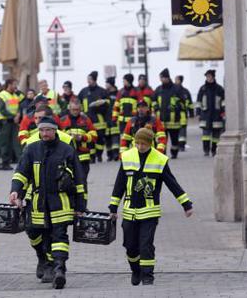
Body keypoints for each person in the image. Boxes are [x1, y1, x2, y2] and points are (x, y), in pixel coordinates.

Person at [109, 128, 193, 286]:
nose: (140, 147)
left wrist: (186, 204)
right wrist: (113, 207)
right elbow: (119, 184)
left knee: (146, 245)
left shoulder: (160, 160)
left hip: (150, 212)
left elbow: (172, 183)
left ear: (150, 143)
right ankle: (136, 270)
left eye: (144, 144)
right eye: (138, 143)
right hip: (129, 211)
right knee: (130, 247)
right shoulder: (127, 157)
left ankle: (148, 276)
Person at [9, 116, 86, 290]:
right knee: (35, 233)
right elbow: (21, 173)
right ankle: (44, 259)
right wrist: (15, 190)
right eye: (41, 130)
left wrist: (81, 206)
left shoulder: (67, 150)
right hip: (38, 203)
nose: (44, 133)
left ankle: (59, 269)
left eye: (48, 130)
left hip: (61, 202)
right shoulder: (32, 149)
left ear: (55, 130)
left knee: (59, 236)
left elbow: (80, 179)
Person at [59, 100, 97, 191]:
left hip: (83, 157)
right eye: (73, 110)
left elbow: (94, 136)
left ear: (80, 109)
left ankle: (83, 204)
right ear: (69, 109)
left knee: (82, 182)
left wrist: (82, 137)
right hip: (67, 157)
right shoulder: (63, 120)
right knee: (68, 182)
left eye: (77, 110)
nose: (75, 112)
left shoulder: (86, 120)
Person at [152, 69, 187, 159]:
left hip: (174, 120)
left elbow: (183, 102)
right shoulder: (158, 89)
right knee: (162, 138)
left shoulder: (176, 89)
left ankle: (174, 153)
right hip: (162, 120)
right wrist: (156, 108)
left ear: (167, 78)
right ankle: (163, 153)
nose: (161, 80)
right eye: (160, 78)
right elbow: (153, 100)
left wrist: (176, 107)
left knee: (174, 139)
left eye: (162, 78)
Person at [78, 71, 110, 162]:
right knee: (90, 137)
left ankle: (99, 154)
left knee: (100, 137)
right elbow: (78, 103)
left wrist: (101, 104)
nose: (88, 81)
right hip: (87, 118)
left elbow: (108, 105)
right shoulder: (83, 91)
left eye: (90, 79)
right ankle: (92, 156)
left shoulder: (102, 91)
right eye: (87, 79)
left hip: (99, 119)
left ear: (94, 80)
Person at [0, 78, 21, 170]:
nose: (16, 86)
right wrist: (14, 116)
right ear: (9, 85)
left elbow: (18, 108)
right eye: (14, 84)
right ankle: (3, 163)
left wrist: (18, 115)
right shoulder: (1, 96)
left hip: (12, 122)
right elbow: (2, 110)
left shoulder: (15, 96)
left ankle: (6, 162)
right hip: (3, 122)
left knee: (12, 143)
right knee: (4, 143)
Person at [196, 70, 225, 156]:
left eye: (209, 76)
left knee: (216, 135)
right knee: (205, 134)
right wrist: (198, 113)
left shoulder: (219, 89)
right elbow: (198, 102)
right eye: (207, 76)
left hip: (217, 115)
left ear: (213, 76)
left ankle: (214, 150)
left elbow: (223, 102)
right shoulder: (203, 89)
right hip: (205, 115)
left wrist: (223, 111)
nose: (208, 78)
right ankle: (206, 150)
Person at [175, 75, 194, 151]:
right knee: (176, 130)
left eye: (176, 80)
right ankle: (178, 145)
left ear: (180, 81)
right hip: (175, 114)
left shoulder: (185, 92)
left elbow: (190, 103)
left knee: (182, 130)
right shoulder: (175, 90)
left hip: (182, 114)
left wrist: (191, 113)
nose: (175, 81)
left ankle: (182, 145)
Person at [105, 76, 120, 161]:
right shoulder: (105, 94)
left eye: (107, 83)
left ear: (111, 84)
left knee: (115, 137)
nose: (105, 85)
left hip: (115, 118)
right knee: (107, 137)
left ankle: (115, 154)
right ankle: (109, 155)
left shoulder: (118, 93)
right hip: (106, 118)